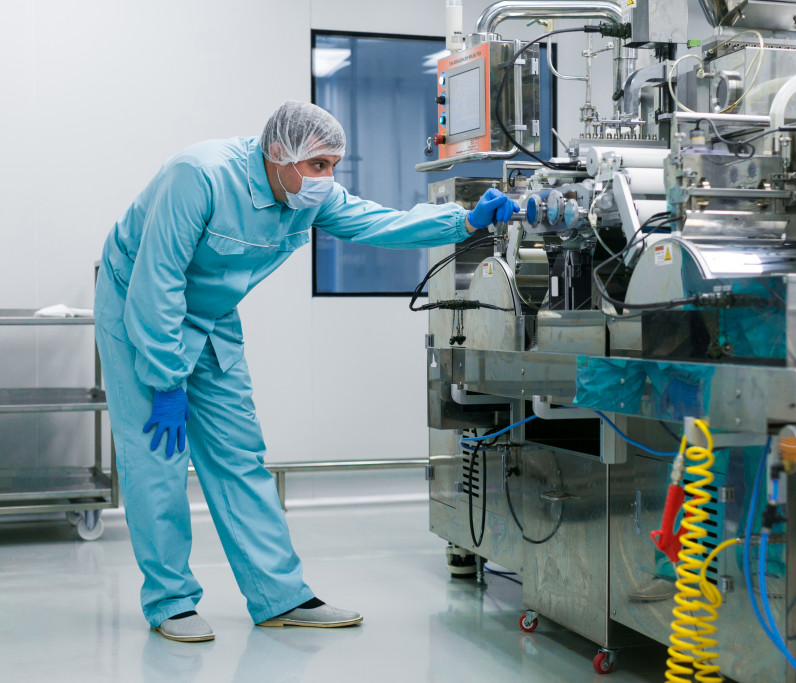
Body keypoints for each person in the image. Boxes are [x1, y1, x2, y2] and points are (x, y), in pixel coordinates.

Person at [94, 100, 518, 642]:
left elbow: (377, 223)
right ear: (278, 153)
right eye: (318, 165)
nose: (328, 178)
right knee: (158, 459)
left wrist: (462, 221)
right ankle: (170, 601)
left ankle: (280, 596)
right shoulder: (197, 176)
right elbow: (158, 280)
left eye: (334, 165)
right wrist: (166, 381)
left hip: (211, 314)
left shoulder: (303, 194)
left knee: (239, 454)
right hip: (137, 306)